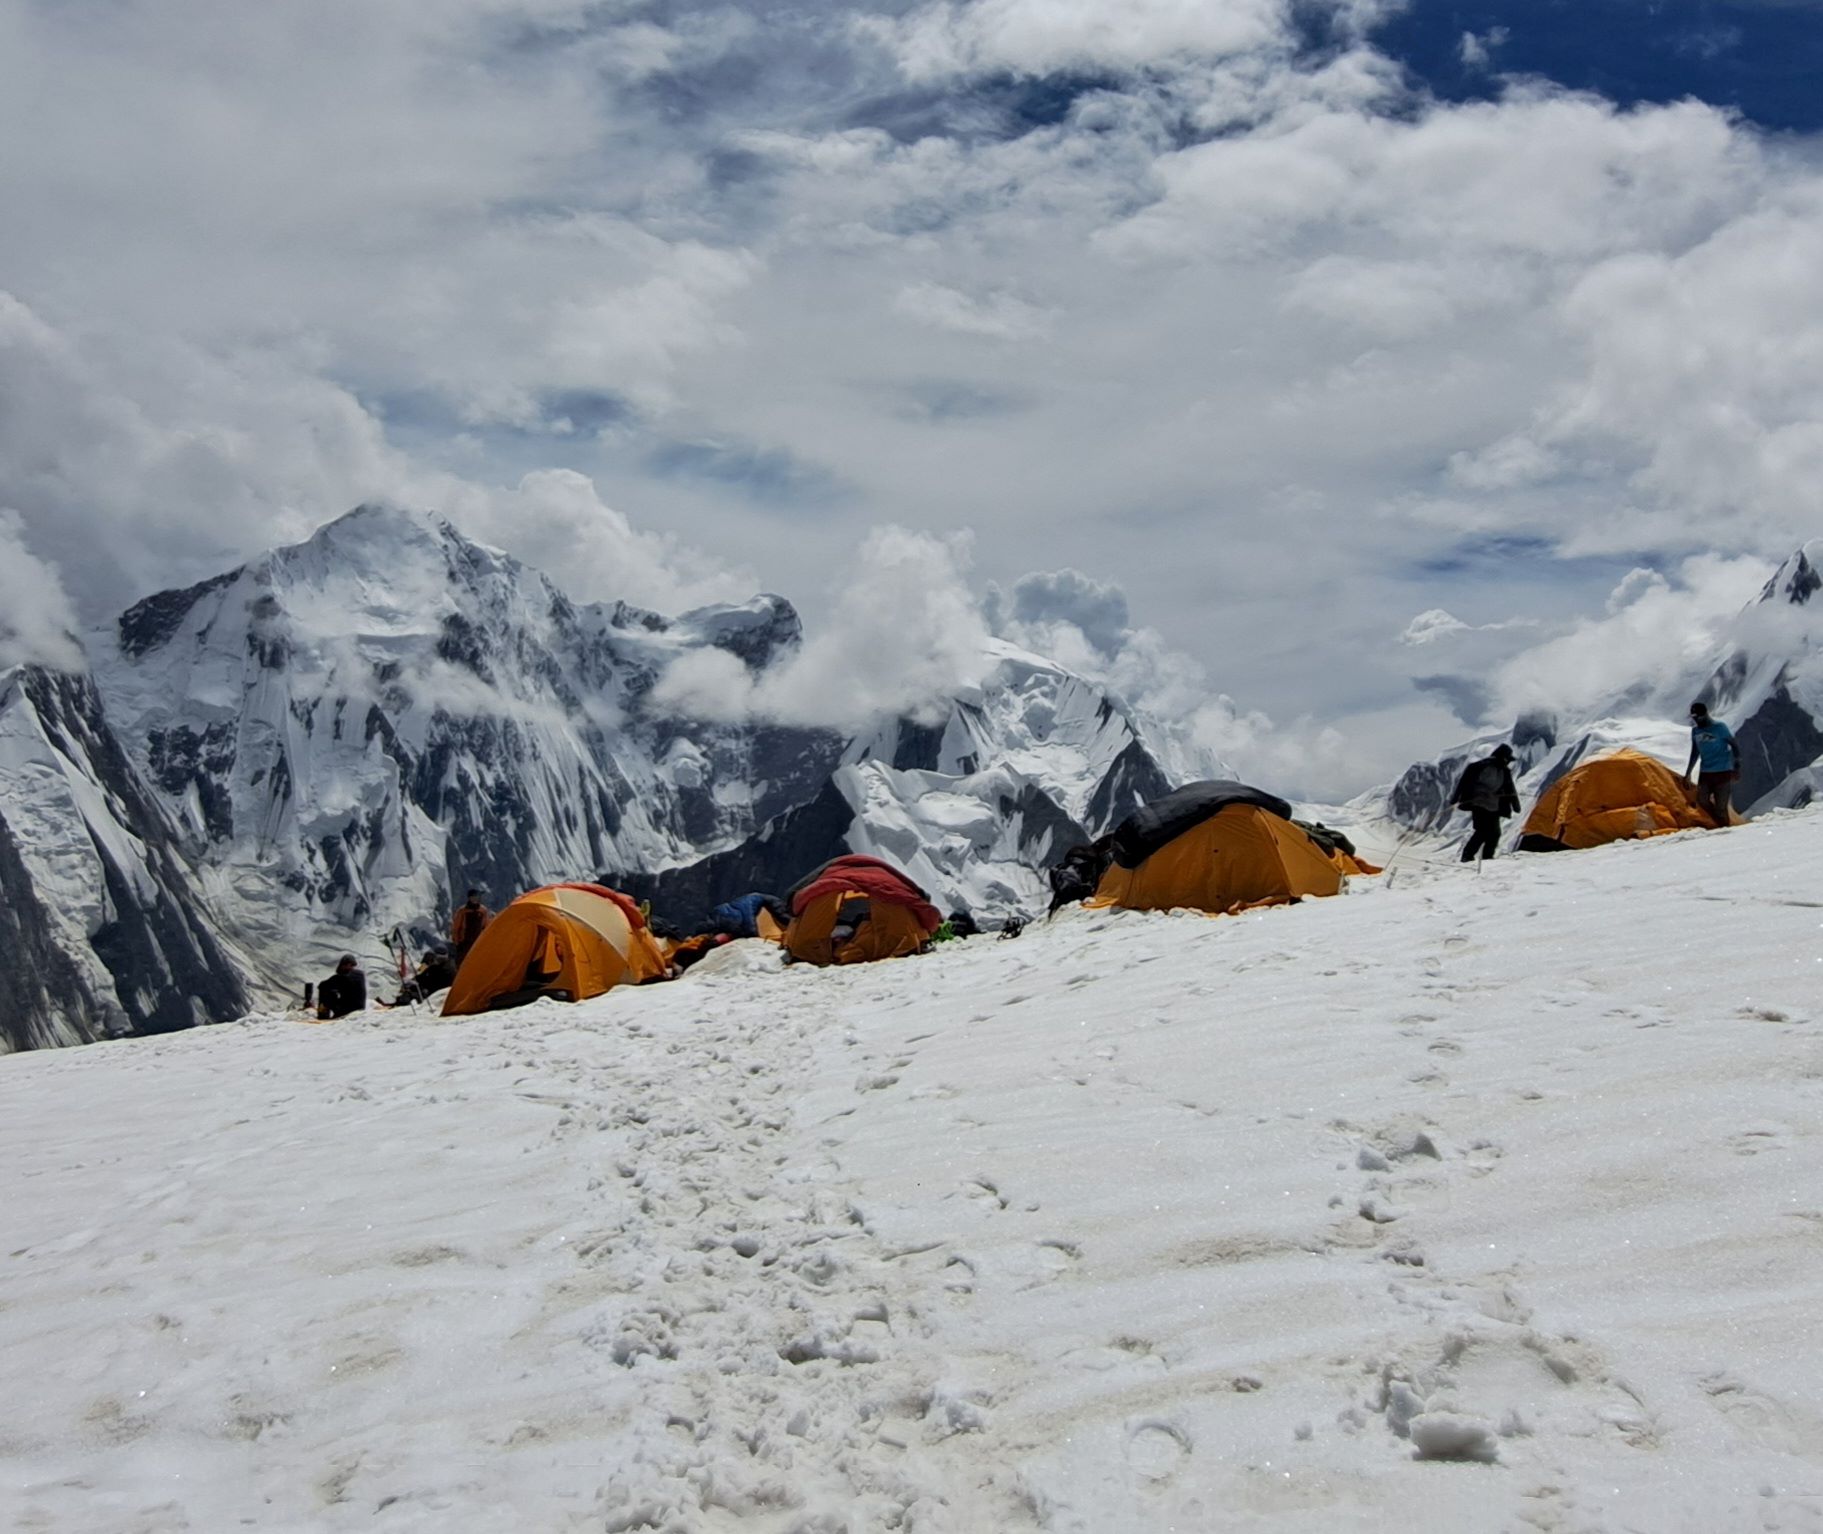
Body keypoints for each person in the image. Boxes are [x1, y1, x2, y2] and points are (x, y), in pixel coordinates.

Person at [1452, 742, 1521, 863]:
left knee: (1494, 833)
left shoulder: (1503, 771)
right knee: (1483, 831)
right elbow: (1464, 782)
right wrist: (1456, 797)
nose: (1508, 762)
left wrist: (1515, 804)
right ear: (1503, 757)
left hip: (1493, 805)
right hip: (1479, 803)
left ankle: (1486, 857)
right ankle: (1468, 856)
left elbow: (1510, 789)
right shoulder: (1479, 767)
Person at [1685, 701, 1740, 826]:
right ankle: (1720, 824)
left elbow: (1734, 745)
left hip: (1723, 772)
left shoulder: (1720, 727)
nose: (1696, 720)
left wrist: (1737, 766)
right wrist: (1688, 773)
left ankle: (1724, 829)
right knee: (1702, 800)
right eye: (1694, 718)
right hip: (1706, 773)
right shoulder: (1695, 731)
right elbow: (1695, 752)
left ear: (1705, 714)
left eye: (1698, 717)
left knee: (1721, 806)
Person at [389, 947, 456, 1007]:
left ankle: (401, 1004)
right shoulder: (436, 966)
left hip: (437, 994)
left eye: (433, 958)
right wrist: (413, 981)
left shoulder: (447, 969)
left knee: (412, 994)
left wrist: (420, 985)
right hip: (430, 989)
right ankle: (399, 1001)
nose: (431, 960)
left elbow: (434, 983)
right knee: (411, 988)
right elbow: (423, 976)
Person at [449, 888, 492, 967]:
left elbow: (486, 926)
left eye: (477, 897)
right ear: (469, 898)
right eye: (473, 897)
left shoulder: (483, 910)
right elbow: (456, 928)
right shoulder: (462, 911)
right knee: (462, 964)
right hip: (464, 942)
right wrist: (457, 943)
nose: (475, 899)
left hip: (478, 942)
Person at [317, 954, 367, 1019]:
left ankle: (322, 1015)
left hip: (348, 1010)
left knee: (325, 990)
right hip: (359, 1008)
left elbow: (323, 985)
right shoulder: (360, 974)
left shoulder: (343, 977)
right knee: (331, 991)